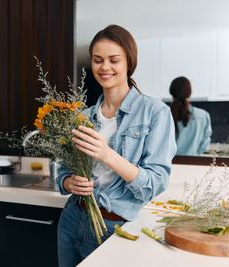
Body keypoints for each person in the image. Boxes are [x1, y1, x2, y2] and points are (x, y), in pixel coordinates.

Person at [55, 24, 177, 267]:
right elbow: (63, 172)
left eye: (114, 60)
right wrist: (70, 182)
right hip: (71, 218)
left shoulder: (155, 112)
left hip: (114, 226)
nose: (105, 67)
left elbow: (154, 184)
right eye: (98, 60)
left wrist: (107, 155)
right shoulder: (83, 116)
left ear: (128, 63)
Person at [169, 76, 212, 156]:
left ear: (171, 92)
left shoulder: (164, 115)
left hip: (170, 164)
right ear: (189, 92)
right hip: (193, 164)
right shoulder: (203, 115)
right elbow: (205, 146)